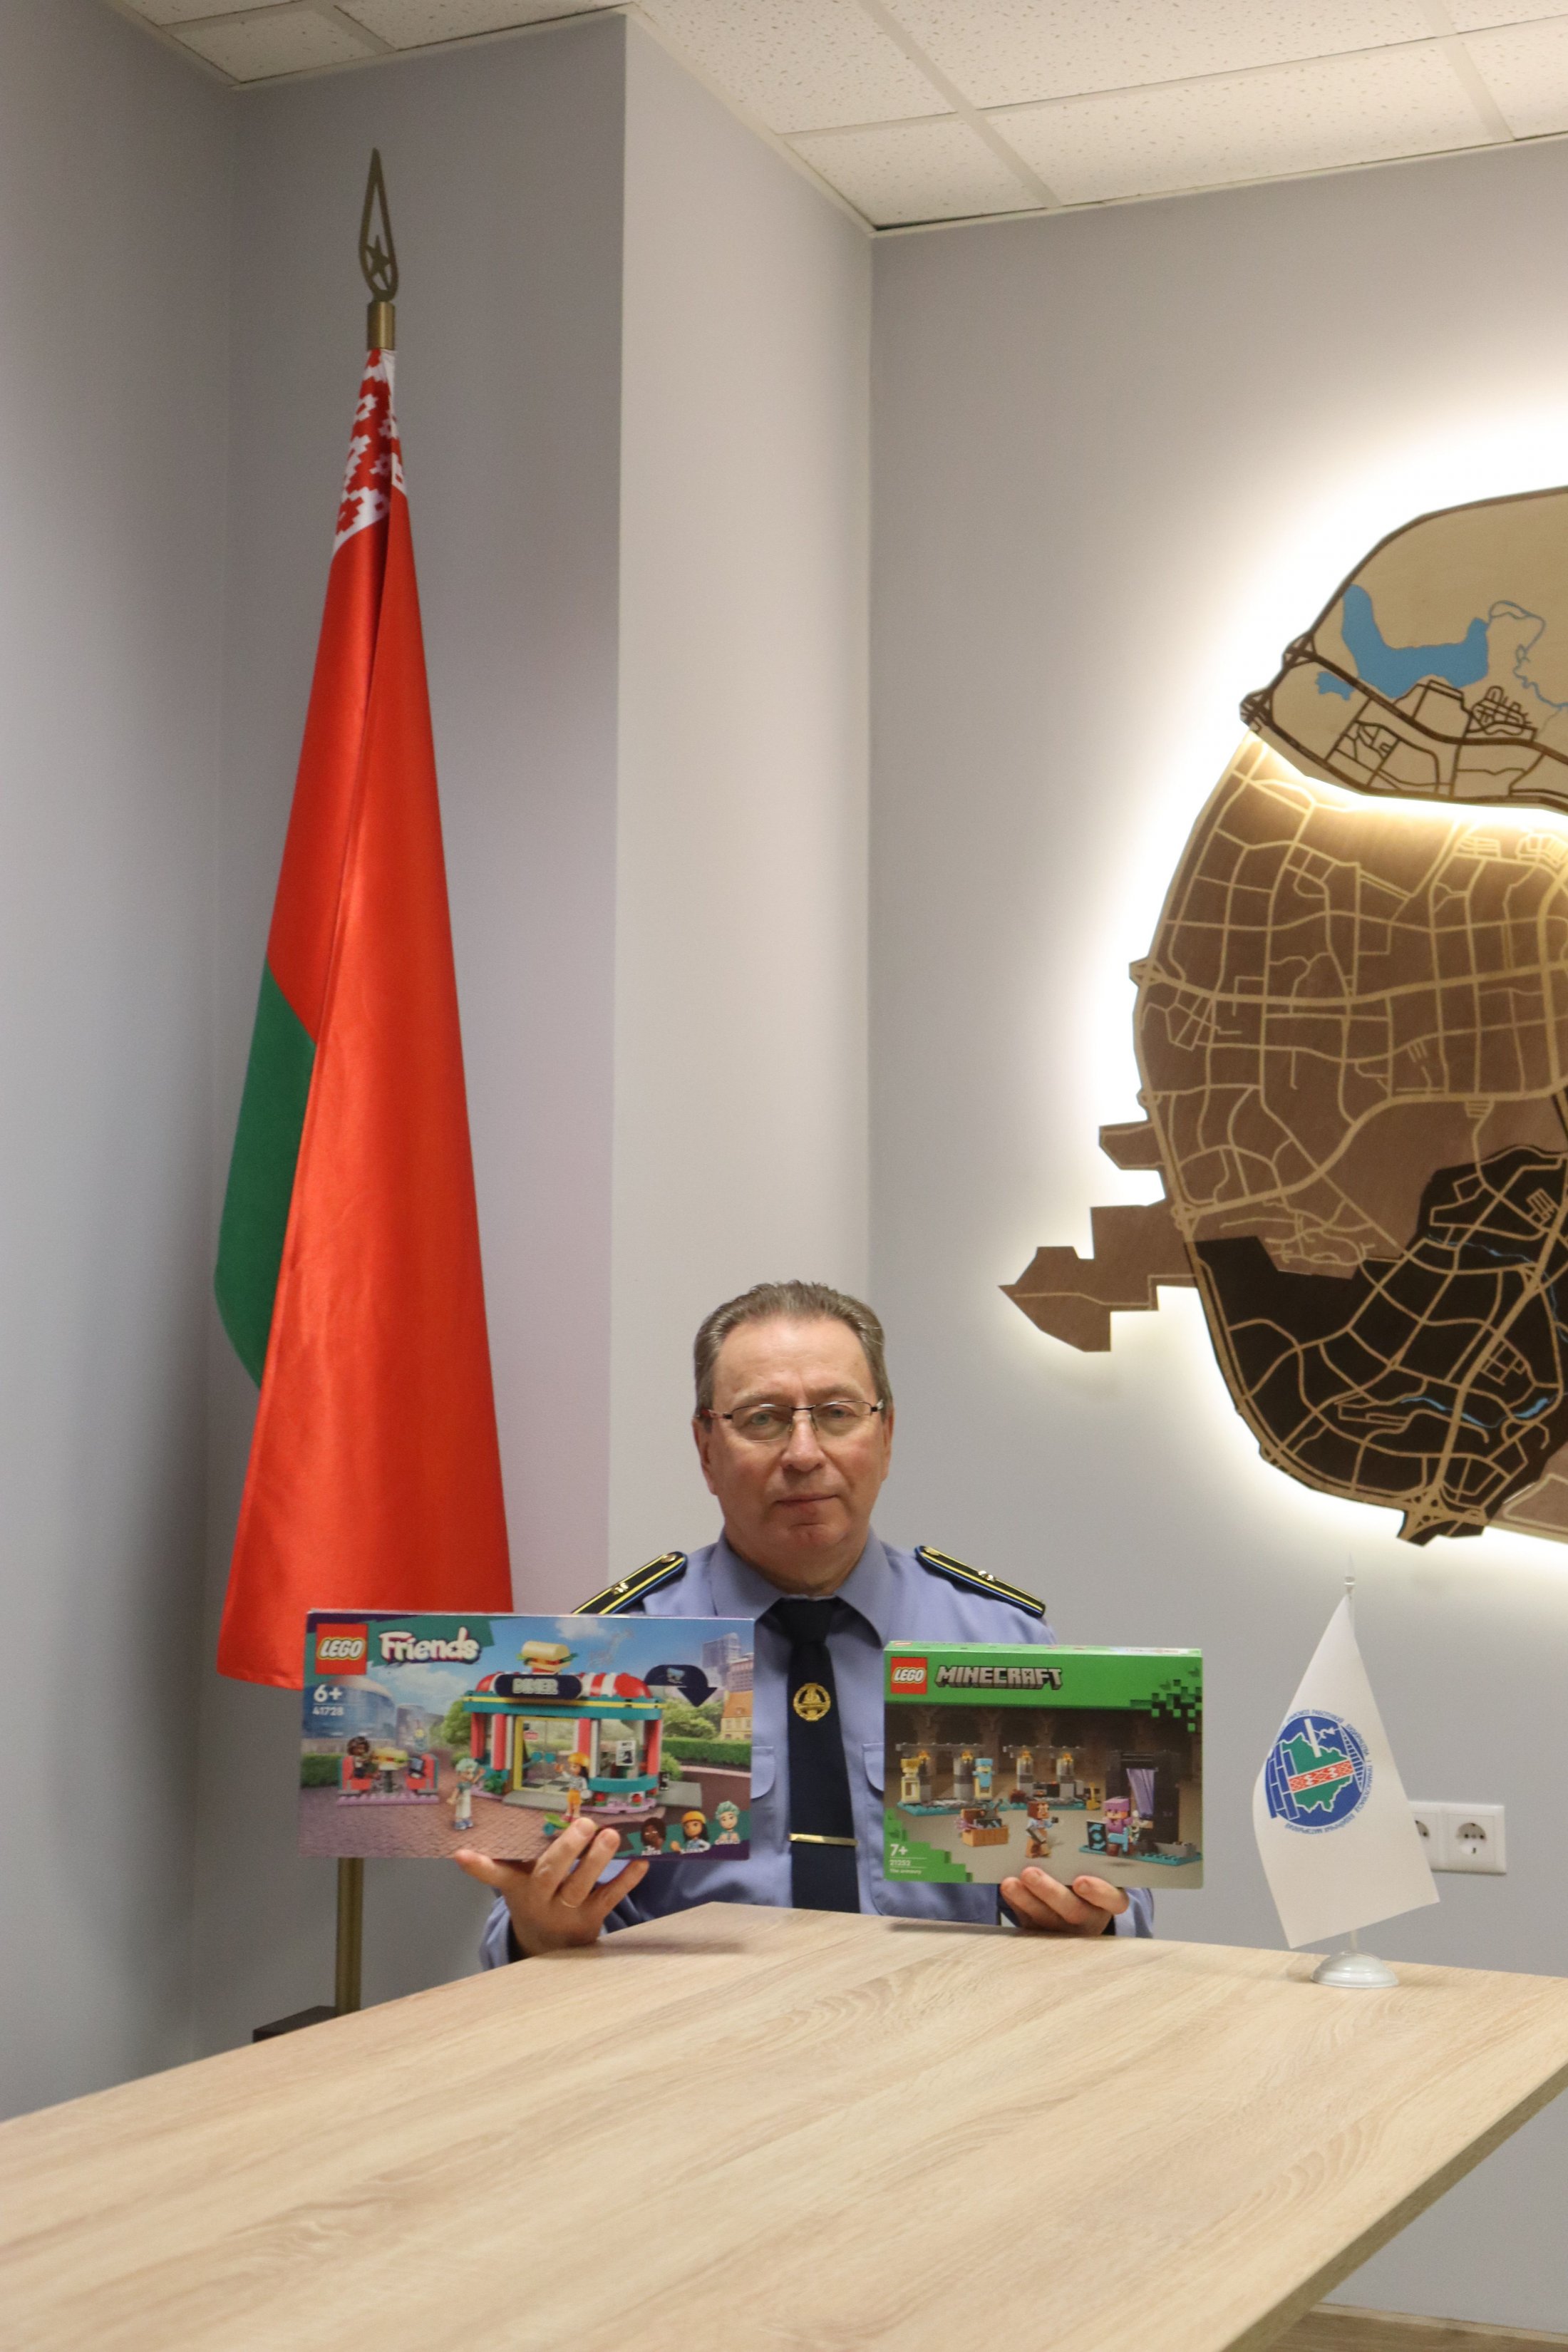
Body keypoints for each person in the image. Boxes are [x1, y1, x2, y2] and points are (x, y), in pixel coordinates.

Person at [459, 1280, 1153, 1961]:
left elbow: (1123, 1899)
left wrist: (1091, 1919)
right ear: (706, 1449)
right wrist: (542, 1934)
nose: (802, 1453)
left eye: (836, 1413)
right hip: (693, 2030)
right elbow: (519, 1925)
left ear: (886, 1435)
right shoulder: (610, 1656)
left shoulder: (1002, 1641)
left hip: (946, 2023)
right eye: (762, 1418)